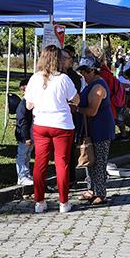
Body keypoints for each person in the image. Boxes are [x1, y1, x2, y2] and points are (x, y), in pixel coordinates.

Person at [25, 45, 80, 213]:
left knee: (40, 163)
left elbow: (28, 105)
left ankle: (39, 202)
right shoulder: (64, 79)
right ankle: (63, 202)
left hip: (41, 124)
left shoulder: (34, 78)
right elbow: (76, 100)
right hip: (62, 125)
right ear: (58, 59)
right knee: (62, 163)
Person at [76, 57, 115, 205]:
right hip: (91, 129)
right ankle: (91, 189)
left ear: (93, 71)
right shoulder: (90, 84)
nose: (83, 76)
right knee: (90, 159)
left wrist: (77, 109)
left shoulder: (98, 87)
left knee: (99, 162)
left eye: (85, 72)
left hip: (101, 129)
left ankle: (101, 193)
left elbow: (92, 111)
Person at [62, 45, 83, 189]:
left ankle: (69, 179)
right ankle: (69, 179)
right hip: (62, 119)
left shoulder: (71, 77)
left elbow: (75, 100)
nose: (70, 61)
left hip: (67, 118)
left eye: (70, 58)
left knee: (66, 152)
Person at [15, 77, 34, 186]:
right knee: (22, 155)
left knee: (27, 155)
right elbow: (22, 122)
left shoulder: (30, 103)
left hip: (30, 134)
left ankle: (26, 174)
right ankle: (22, 175)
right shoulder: (23, 105)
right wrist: (26, 137)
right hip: (24, 135)